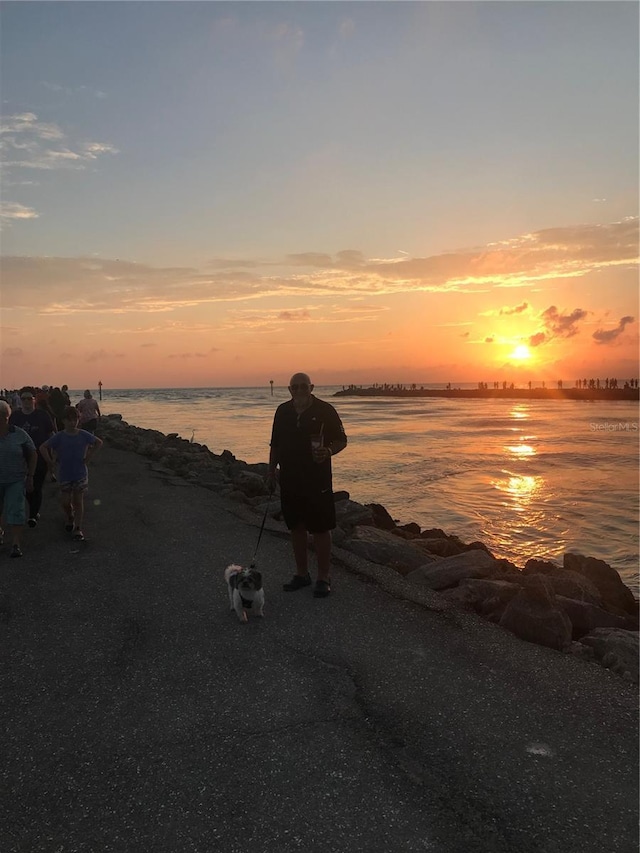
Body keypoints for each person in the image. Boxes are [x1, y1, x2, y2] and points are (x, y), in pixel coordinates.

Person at [268, 372, 347, 598]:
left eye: (304, 386)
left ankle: (324, 577)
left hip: (317, 479)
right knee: (296, 527)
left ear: (311, 387)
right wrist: (270, 471)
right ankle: (302, 574)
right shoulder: (282, 411)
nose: (300, 391)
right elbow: (275, 444)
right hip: (290, 478)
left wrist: (329, 450)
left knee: (321, 529)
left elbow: (342, 440)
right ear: (290, 390)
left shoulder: (326, 410)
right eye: (296, 387)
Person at [40, 406, 103, 542]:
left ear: (78, 420)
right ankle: (69, 516)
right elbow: (43, 447)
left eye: (75, 419)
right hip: (65, 474)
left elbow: (98, 442)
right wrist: (50, 461)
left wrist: (88, 458)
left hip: (80, 473)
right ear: (63, 421)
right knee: (65, 502)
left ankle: (78, 528)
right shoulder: (59, 436)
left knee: (78, 501)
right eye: (69, 420)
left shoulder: (83, 434)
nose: (72, 422)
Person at [9, 387, 56, 527]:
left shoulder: (42, 415)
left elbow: (51, 434)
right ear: (20, 400)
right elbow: (8, 434)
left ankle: (33, 515)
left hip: (40, 456)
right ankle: (33, 509)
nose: (26, 401)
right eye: (24, 398)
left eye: (29, 398)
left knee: (37, 486)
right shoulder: (15, 416)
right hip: (20, 458)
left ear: (34, 400)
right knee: (25, 487)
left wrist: (53, 454)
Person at [0, 399, 37, 557]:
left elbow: (33, 452)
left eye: (3, 415)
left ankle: (15, 543)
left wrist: (31, 475)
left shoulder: (19, 433)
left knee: (16, 510)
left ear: (7, 416)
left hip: (15, 479)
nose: (1, 418)